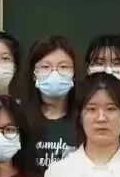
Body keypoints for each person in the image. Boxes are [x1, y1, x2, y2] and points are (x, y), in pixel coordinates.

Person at [23, 35, 82, 169]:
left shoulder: (84, 119)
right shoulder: (19, 118)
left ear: (74, 73)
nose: (54, 73)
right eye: (45, 67)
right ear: (33, 74)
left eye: (63, 66)